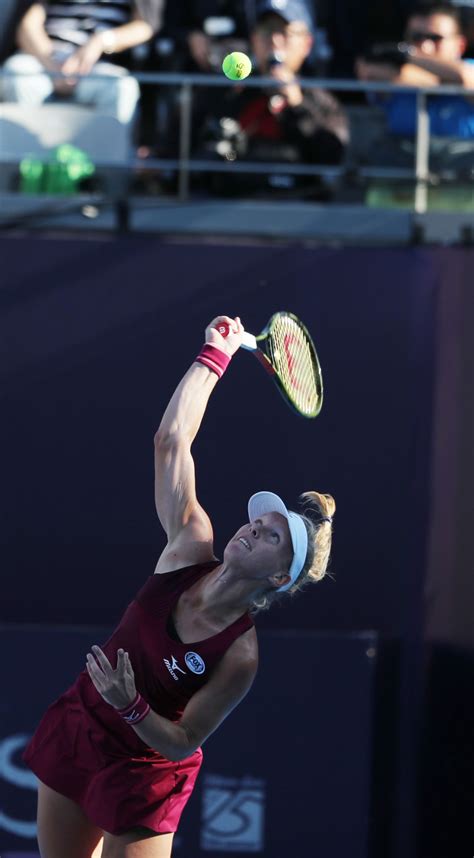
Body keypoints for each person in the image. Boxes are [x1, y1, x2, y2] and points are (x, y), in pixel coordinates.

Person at [22, 314, 336, 858]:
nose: (253, 528)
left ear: (279, 576)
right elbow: (171, 442)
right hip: (83, 726)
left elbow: (185, 738)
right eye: (259, 521)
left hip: (145, 769)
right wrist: (216, 355)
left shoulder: (239, 655)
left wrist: (133, 706)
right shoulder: (190, 544)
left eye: (271, 538)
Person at [161, 0, 348, 198]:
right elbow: (182, 141)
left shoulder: (321, 101)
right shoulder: (230, 90)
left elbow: (332, 159)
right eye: (267, 32)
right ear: (253, 39)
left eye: (285, 33)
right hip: (228, 206)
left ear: (307, 43)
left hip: (298, 207)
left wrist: (297, 105)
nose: (275, 41)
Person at [2, 0, 162, 125]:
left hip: (100, 67)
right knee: (17, 74)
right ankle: (23, 161)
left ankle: (105, 164)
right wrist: (52, 66)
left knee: (122, 86)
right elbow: (27, 24)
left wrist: (100, 42)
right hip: (43, 59)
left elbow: (145, 26)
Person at [356, 2, 474, 138]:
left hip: (462, 155)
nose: (425, 46)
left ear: (460, 45)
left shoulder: (469, 67)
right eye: (417, 37)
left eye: (436, 38)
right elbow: (369, 71)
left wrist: (408, 54)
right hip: (402, 155)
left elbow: (465, 76)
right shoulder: (397, 69)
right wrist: (448, 81)